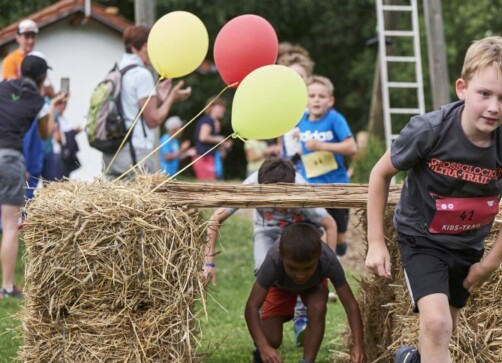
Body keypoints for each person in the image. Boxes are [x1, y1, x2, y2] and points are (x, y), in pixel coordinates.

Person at [366, 36, 502, 363]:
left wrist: (490, 262)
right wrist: (376, 242)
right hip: (421, 239)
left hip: (468, 247)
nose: (493, 107)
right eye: (484, 93)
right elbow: (380, 174)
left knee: (443, 332)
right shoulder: (430, 129)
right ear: (462, 88)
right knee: (437, 323)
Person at [202, 157, 338, 346]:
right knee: (263, 268)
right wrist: (208, 262)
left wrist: (329, 267)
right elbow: (215, 219)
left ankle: (302, 316)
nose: (277, 204)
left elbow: (330, 225)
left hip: (299, 228)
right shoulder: (251, 185)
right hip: (266, 230)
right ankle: (266, 314)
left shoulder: (302, 190)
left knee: (304, 265)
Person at [244, 222, 365, 363]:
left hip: (313, 287)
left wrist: (358, 344)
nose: (300, 276)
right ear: (281, 255)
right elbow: (251, 306)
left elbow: (350, 305)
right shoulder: (273, 259)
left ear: (319, 256)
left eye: (308, 268)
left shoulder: (328, 260)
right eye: (292, 268)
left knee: (318, 304)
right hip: (279, 287)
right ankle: (261, 353)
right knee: (272, 340)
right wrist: (263, 346)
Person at [0, 55, 63, 298]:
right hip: (10, 159)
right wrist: (53, 105)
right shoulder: (40, 102)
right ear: (43, 77)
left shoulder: (3, 87)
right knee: (10, 226)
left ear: (20, 70)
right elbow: (46, 134)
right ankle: (7, 287)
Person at [102, 26, 191, 180]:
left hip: (112, 151)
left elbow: (132, 108)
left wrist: (159, 98)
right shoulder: (142, 74)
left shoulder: (115, 72)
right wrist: (172, 97)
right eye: (150, 46)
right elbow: (153, 119)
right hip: (134, 153)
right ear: (139, 47)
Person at [294, 75, 357, 257]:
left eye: (321, 96)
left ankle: (339, 249)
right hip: (310, 186)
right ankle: (321, 262)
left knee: (339, 234)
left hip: (336, 187)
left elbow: (351, 147)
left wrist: (321, 145)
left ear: (330, 101)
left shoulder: (335, 119)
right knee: (314, 230)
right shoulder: (301, 120)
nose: (316, 100)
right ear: (305, 100)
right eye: (312, 96)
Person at [193, 98, 231, 181]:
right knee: (208, 185)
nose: (223, 109)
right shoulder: (208, 120)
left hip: (210, 158)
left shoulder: (213, 122)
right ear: (211, 107)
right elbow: (203, 137)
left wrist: (223, 145)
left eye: (223, 107)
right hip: (204, 158)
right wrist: (220, 139)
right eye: (220, 106)